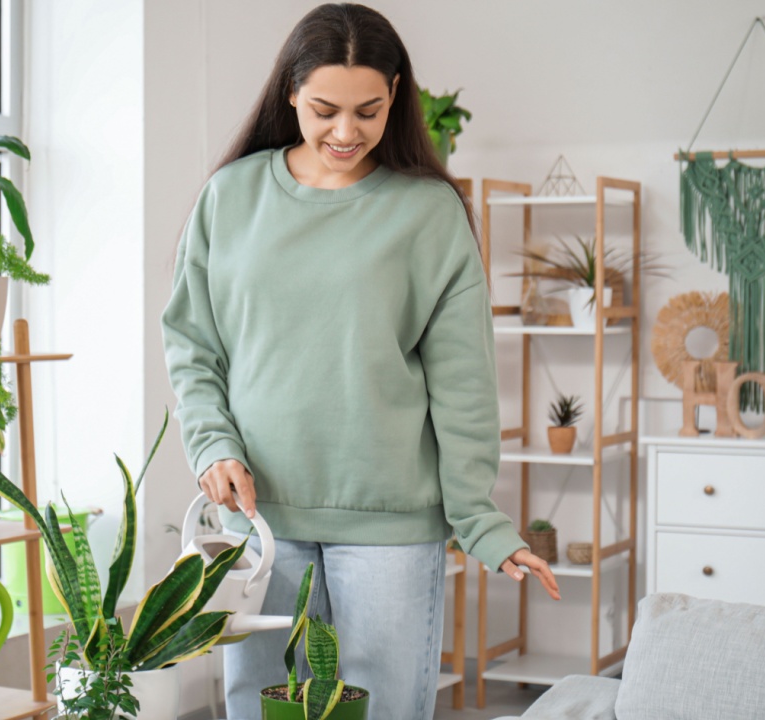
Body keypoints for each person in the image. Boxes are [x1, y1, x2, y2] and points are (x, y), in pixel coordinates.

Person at [161, 4, 559, 719]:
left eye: (368, 111)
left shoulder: (428, 212)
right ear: (290, 92)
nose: (345, 132)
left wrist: (481, 522)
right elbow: (193, 343)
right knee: (257, 710)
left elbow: (463, 383)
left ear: (396, 97)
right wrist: (212, 445)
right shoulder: (232, 197)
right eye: (324, 109)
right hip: (260, 524)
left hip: (392, 529)